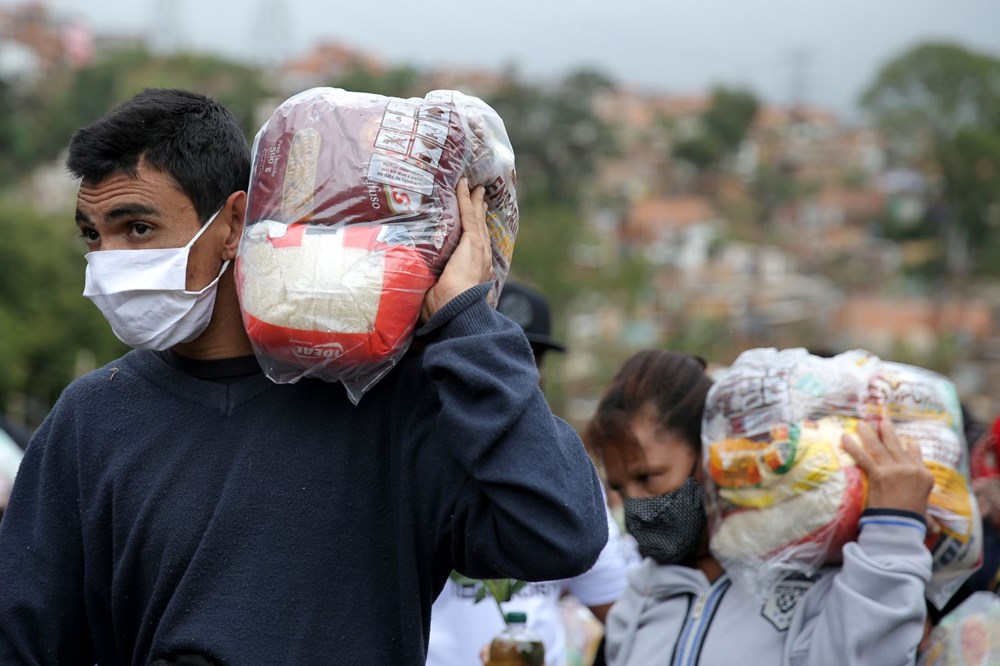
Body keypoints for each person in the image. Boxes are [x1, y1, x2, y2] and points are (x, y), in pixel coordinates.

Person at [0, 88, 609, 664]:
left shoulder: (385, 400)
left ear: (235, 223)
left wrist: (467, 325)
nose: (109, 264)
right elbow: (24, 639)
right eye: (92, 235)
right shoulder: (91, 419)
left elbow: (561, 532)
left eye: (138, 228)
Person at [583, 349, 936, 666]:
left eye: (648, 477)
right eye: (619, 488)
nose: (636, 505)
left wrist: (892, 533)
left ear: (711, 456)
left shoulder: (807, 576)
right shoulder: (640, 598)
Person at [427, 280, 634, 666]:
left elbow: (624, 619)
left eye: (531, 357)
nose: (517, 371)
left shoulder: (566, 478)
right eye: (502, 352)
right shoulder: (423, 470)